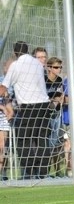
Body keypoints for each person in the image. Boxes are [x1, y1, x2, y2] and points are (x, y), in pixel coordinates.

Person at [0, 42, 53, 179]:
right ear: (27, 50)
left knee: (23, 140)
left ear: (15, 52)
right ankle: (43, 173)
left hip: (29, 107)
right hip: (44, 106)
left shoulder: (16, 65)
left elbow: (3, 88)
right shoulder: (36, 63)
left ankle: (28, 172)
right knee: (42, 140)